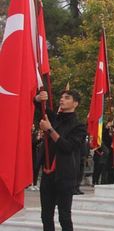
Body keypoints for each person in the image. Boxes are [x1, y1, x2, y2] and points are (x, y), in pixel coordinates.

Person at [35, 89, 87, 231]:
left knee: (64, 216)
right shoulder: (55, 118)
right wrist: (39, 98)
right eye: (62, 97)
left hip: (65, 176)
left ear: (75, 103)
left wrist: (50, 130)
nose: (62, 99)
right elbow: (41, 106)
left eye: (67, 98)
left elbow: (68, 147)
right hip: (47, 174)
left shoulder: (79, 126)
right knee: (46, 216)